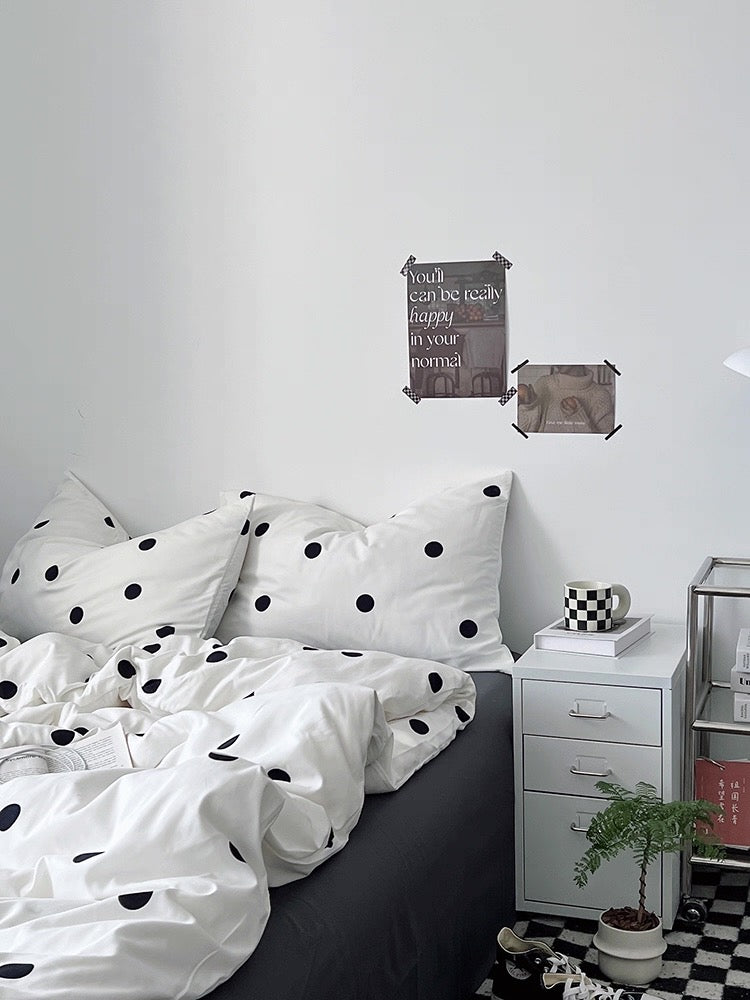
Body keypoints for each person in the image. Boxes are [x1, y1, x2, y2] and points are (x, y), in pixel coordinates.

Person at [517, 365, 614, 434]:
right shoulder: (544, 383)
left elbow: (607, 446)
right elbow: (522, 435)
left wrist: (577, 416)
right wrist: (529, 407)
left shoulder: (601, 395)